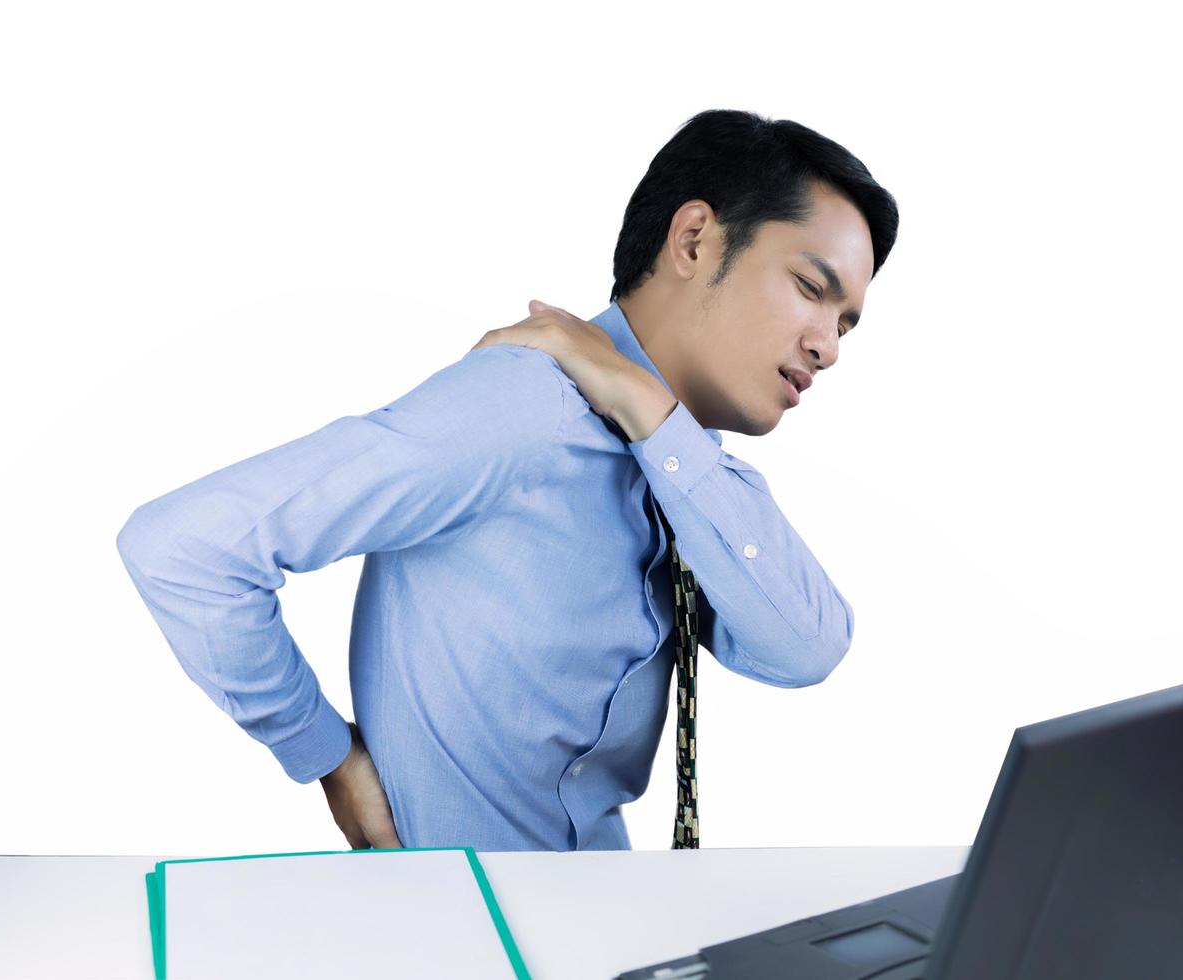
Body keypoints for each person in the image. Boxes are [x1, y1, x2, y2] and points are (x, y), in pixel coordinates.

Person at [115, 107, 899, 852]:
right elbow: (184, 547)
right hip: (462, 933)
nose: (828, 345)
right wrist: (324, 754)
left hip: (603, 919)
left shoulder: (691, 474)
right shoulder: (523, 409)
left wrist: (651, 414)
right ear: (693, 241)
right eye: (810, 288)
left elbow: (807, 648)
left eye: (846, 323)